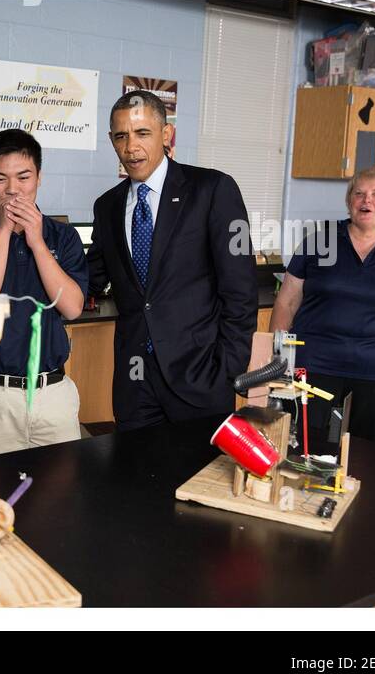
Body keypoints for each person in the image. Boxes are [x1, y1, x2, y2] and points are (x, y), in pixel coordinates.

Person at [87, 91, 256, 430]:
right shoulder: (107, 205)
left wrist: (228, 369)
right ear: (111, 141)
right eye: (121, 136)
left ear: (166, 135)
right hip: (135, 382)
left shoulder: (211, 189)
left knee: (199, 480)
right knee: (138, 479)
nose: (131, 147)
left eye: (142, 133)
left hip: (201, 377)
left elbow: (240, 288)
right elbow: (90, 276)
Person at [270, 168, 375, 445]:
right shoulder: (319, 242)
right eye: (358, 193)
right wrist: (277, 362)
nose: (366, 200)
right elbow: (286, 302)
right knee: (304, 451)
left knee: (370, 458)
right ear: (349, 201)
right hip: (314, 368)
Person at [0, 129, 87, 456]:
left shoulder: (63, 237)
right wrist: (6, 231)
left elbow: (72, 308)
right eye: (0, 179)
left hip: (53, 393)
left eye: (23, 177)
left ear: (39, 177)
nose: (12, 190)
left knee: (60, 498)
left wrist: (37, 241)